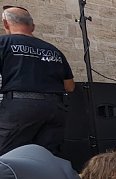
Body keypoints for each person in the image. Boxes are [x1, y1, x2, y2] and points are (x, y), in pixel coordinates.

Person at [0, 6, 74, 156]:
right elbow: (70, 86)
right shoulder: (53, 50)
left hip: (20, 108)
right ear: (32, 26)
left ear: (5, 23)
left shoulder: (3, 43)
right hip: (55, 109)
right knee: (47, 158)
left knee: (6, 157)